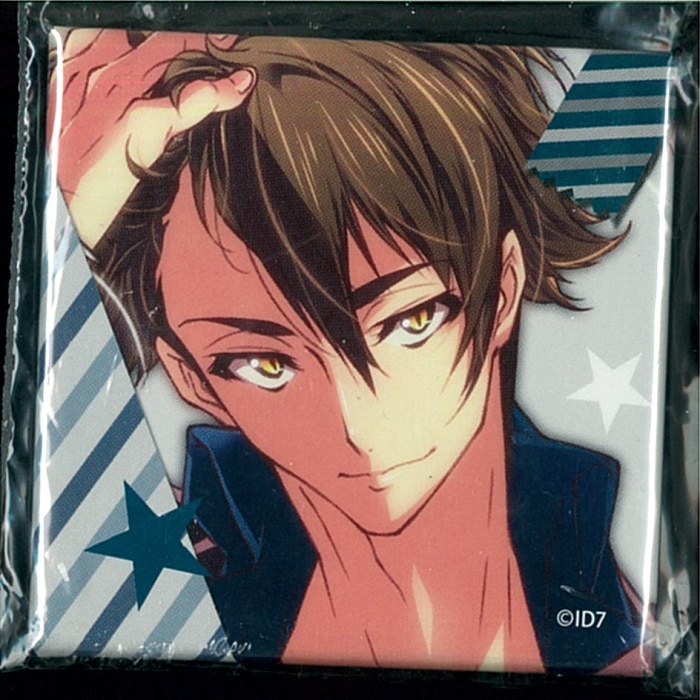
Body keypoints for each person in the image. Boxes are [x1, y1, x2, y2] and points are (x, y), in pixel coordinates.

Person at [53, 29, 643, 672]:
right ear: (192, 377)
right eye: (265, 365)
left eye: (411, 321)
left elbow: (645, 62)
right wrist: (61, 238)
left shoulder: (628, 621)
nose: (357, 425)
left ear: (502, 291)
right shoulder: (163, 584)